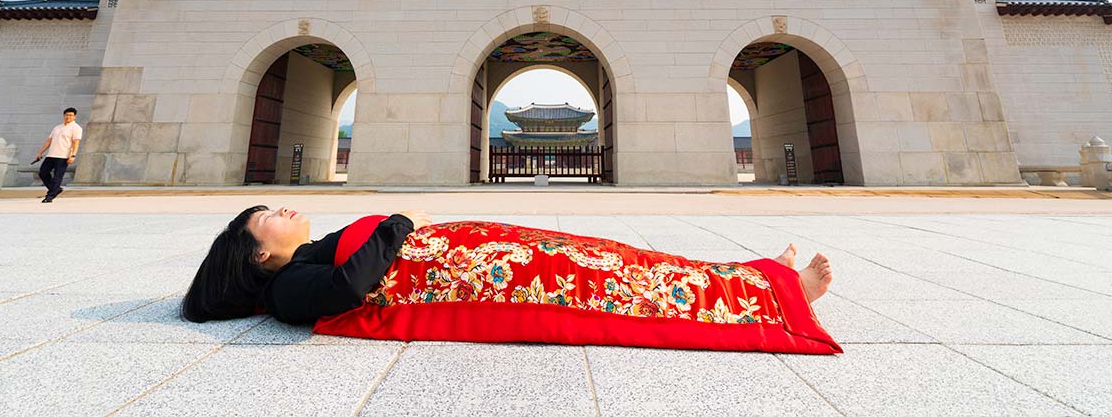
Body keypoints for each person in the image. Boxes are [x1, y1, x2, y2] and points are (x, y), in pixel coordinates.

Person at [182, 206, 839, 354]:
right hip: (494, 278)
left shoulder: (297, 261)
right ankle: (777, 297)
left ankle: (758, 276)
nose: (283, 212)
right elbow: (349, 289)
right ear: (257, 254)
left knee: (626, 260)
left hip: (490, 254)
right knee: (626, 287)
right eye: (266, 217)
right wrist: (398, 223)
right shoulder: (285, 288)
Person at [32, 107, 82, 203]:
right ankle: (55, 189)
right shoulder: (57, 127)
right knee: (43, 173)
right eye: (67, 115)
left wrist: (73, 155)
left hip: (63, 156)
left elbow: (76, 142)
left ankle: (50, 196)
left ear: (74, 117)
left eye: (71, 115)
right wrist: (40, 152)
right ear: (64, 115)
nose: (68, 117)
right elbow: (49, 141)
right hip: (51, 155)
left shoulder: (76, 128)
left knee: (57, 177)